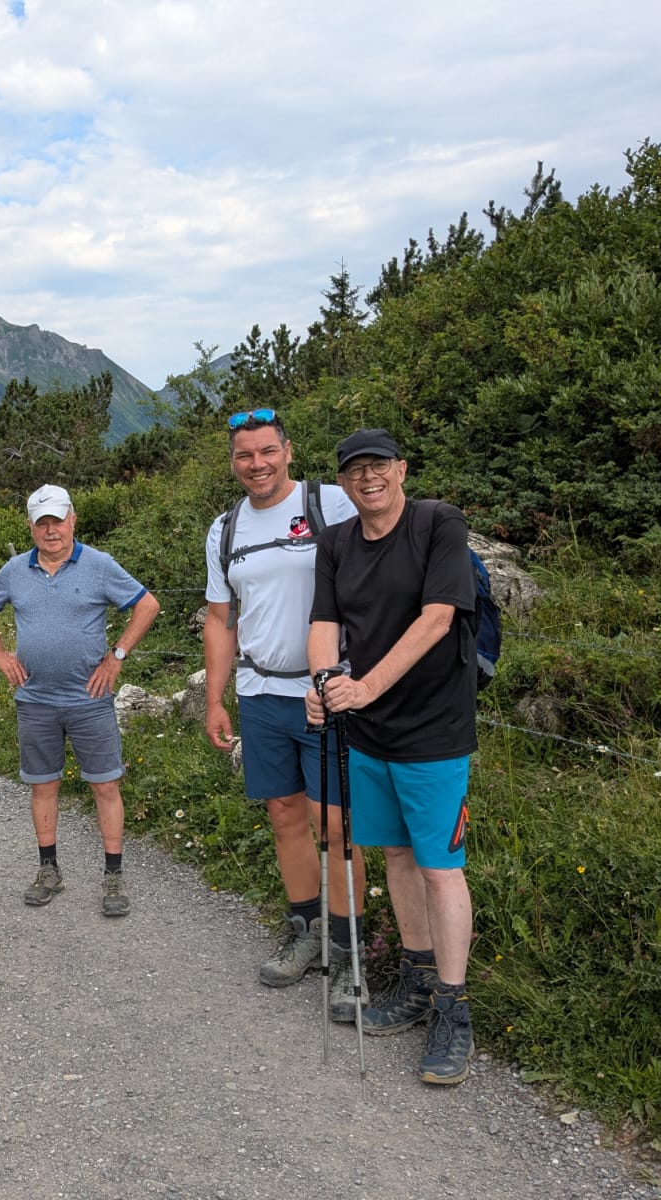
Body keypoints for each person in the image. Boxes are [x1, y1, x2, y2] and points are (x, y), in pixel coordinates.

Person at [306, 428, 479, 1086]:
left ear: (401, 469)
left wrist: (366, 687)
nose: (368, 478)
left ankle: (453, 1009)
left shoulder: (438, 524)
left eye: (379, 465)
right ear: (342, 483)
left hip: (434, 730)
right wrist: (324, 684)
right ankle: (416, 978)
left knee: (441, 867)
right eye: (355, 470)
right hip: (369, 732)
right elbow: (325, 625)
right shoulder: (335, 543)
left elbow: (438, 617)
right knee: (398, 857)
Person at [203, 408, 370, 1011]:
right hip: (260, 692)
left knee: (336, 823)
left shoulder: (331, 503)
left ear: (288, 451)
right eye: (245, 455)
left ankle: (350, 951)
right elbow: (220, 618)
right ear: (233, 463)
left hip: (328, 692)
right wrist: (215, 698)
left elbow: (377, 575)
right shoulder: (225, 529)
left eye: (267, 451)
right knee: (283, 814)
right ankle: (306, 931)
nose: (258, 464)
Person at [0, 484, 161, 917]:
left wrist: (116, 657)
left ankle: (113, 875)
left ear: (73, 519)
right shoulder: (15, 570)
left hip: (89, 698)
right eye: (42, 523)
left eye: (57, 520)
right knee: (43, 785)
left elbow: (147, 605)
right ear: (30, 527)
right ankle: (48, 870)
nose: (51, 530)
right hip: (35, 699)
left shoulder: (99, 565)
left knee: (105, 784)